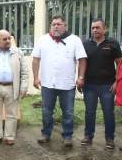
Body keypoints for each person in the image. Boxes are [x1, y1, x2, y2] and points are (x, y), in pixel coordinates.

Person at [32, 15, 87, 146]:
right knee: (46, 111)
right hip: (47, 83)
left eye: (58, 24)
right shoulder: (43, 40)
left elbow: (82, 60)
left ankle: (67, 136)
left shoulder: (74, 40)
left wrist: (81, 77)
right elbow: (35, 59)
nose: (55, 26)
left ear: (65, 25)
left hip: (67, 85)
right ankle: (46, 134)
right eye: (53, 24)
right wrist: (35, 77)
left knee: (68, 112)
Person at [81, 18, 122, 149]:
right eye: (93, 28)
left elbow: (120, 64)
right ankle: (88, 136)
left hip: (107, 85)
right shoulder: (86, 44)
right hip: (89, 85)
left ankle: (109, 138)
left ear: (104, 29)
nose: (94, 30)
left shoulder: (113, 43)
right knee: (89, 112)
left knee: (108, 112)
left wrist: (117, 81)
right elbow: (82, 63)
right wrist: (80, 78)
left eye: (97, 27)